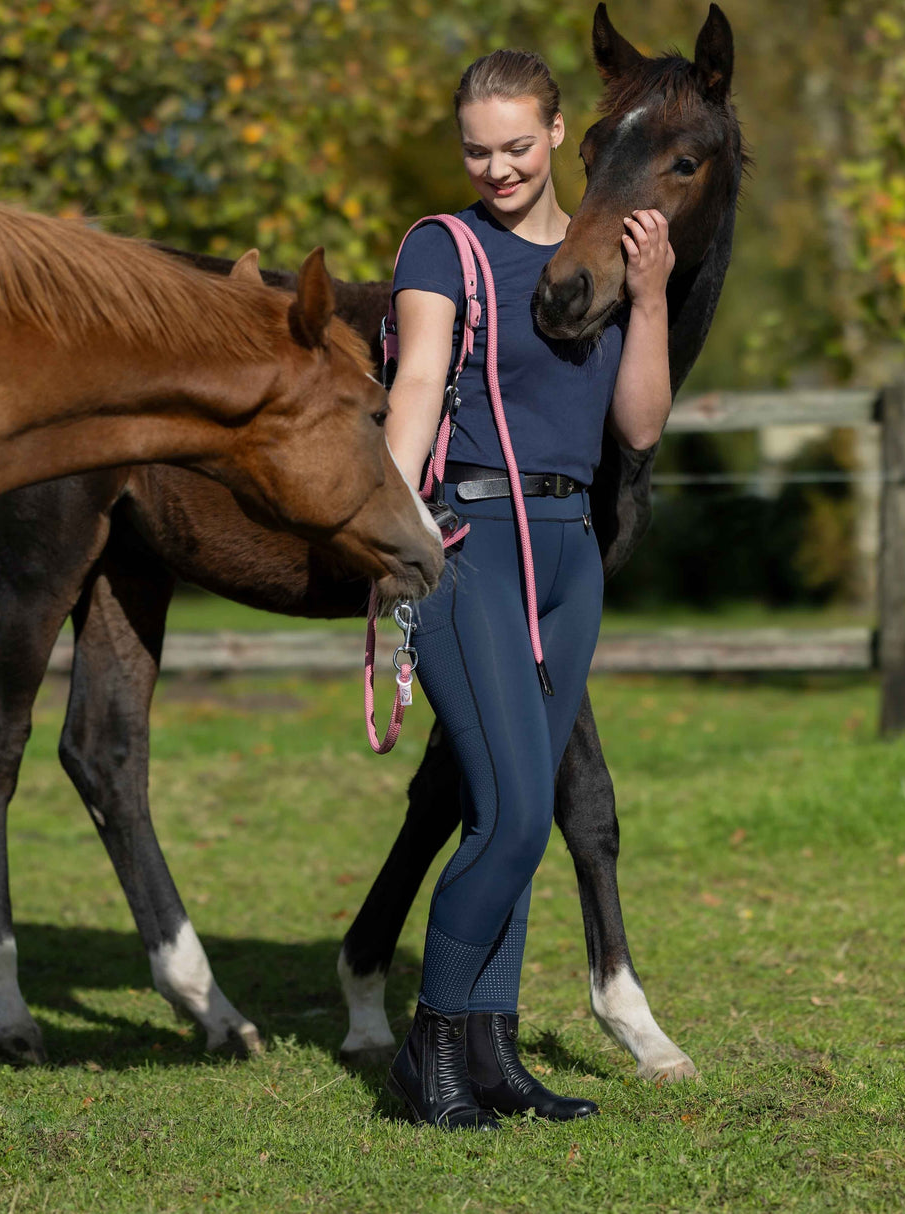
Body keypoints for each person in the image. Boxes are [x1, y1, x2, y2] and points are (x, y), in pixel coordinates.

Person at [384, 48, 674, 1131]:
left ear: (556, 135)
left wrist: (646, 298)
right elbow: (416, 383)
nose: (495, 166)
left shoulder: (602, 255)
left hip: (569, 549)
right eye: (475, 148)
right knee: (509, 816)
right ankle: (430, 1049)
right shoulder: (441, 246)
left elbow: (636, 428)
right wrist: (395, 527)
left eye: (514, 145)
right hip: (468, 536)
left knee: (497, 807)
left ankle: (493, 1053)